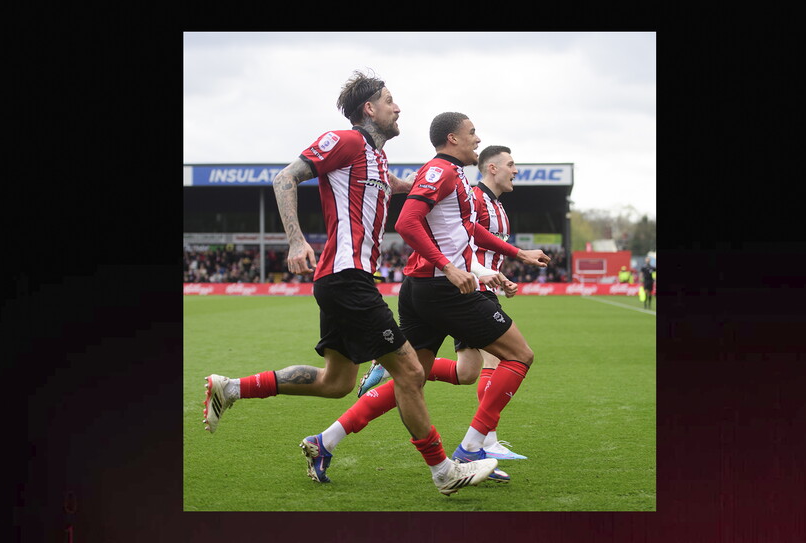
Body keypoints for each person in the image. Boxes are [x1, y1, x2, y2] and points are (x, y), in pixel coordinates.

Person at [201, 71, 497, 496]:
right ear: (369, 109)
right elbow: (284, 178)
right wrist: (296, 240)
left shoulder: (376, 158)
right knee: (411, 371)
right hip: (346, 278)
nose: (399, 108)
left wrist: (440, 174)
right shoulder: (347, 140)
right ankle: (444, 471)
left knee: (336, 383)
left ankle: (230, 388)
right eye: (390, 100)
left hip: (346, 279)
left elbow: (399, 187)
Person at [301, 114, 549, 483]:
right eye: (472, 133)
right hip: (444, 289)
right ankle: (472, 448)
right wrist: (449, 267)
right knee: (519, 355)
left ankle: (326, 440)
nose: (477, 140)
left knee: (411, 377)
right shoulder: (441, 171)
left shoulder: (457, 178)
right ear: (452, 138)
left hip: (426, 288)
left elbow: (470, 230)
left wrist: (518, 255)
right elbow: (406, 222)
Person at [356, 144, 528, 460]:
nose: (515, 170)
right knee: (511, 357)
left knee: (459, 372)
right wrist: (471, 271)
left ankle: (329, 437)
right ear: (492, 168)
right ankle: (481, 443)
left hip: (461, 282)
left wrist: (512, 258)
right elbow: (427, 228)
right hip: (457, 285)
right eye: (511, 164)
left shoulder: (488, 199)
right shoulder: (465, 189)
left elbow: (471, 234)